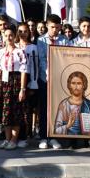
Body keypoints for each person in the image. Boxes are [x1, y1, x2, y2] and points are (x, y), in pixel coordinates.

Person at [37, 14, 69, 149]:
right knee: (44, 108)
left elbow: (67, 57)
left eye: (57, 27)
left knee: (57, 109)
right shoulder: (41, 40)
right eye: (52, 27)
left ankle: (54, 136)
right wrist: (49, 73)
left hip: (60, 79)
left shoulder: (65, 40)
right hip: (46, 79)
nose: (54, 30)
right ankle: (44, 136)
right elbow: (42, 59)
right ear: (47, 26)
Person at [0, 25, 28, 150]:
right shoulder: (1, 52)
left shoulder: (20, 52)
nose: (8, 38)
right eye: (6, 35)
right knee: (5, 113)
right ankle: (7, 139)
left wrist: (22, 89)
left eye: (11, 35)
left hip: (16, 83)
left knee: (16, 112)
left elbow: (24, 71)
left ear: (15, 37)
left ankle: (14, 140)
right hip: (4, 83)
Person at [54, 71, 90, 136]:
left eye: (79, 83)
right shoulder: (63, 105)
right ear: (69, 85)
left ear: (84, 85)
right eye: (73, 83)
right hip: (67, 138)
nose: (76, 87)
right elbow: (56, 130)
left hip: (84, 138)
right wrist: (68, 125)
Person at [16, 23, 38, 148]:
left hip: (28, 81)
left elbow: (34, 67)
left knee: (26, 110)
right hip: (15, 80)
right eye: (20, 31)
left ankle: (25, 135)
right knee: (15, 110)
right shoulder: (14, 47)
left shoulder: (33, 47)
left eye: (25, 31)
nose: (22, 33)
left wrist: (33, 84)